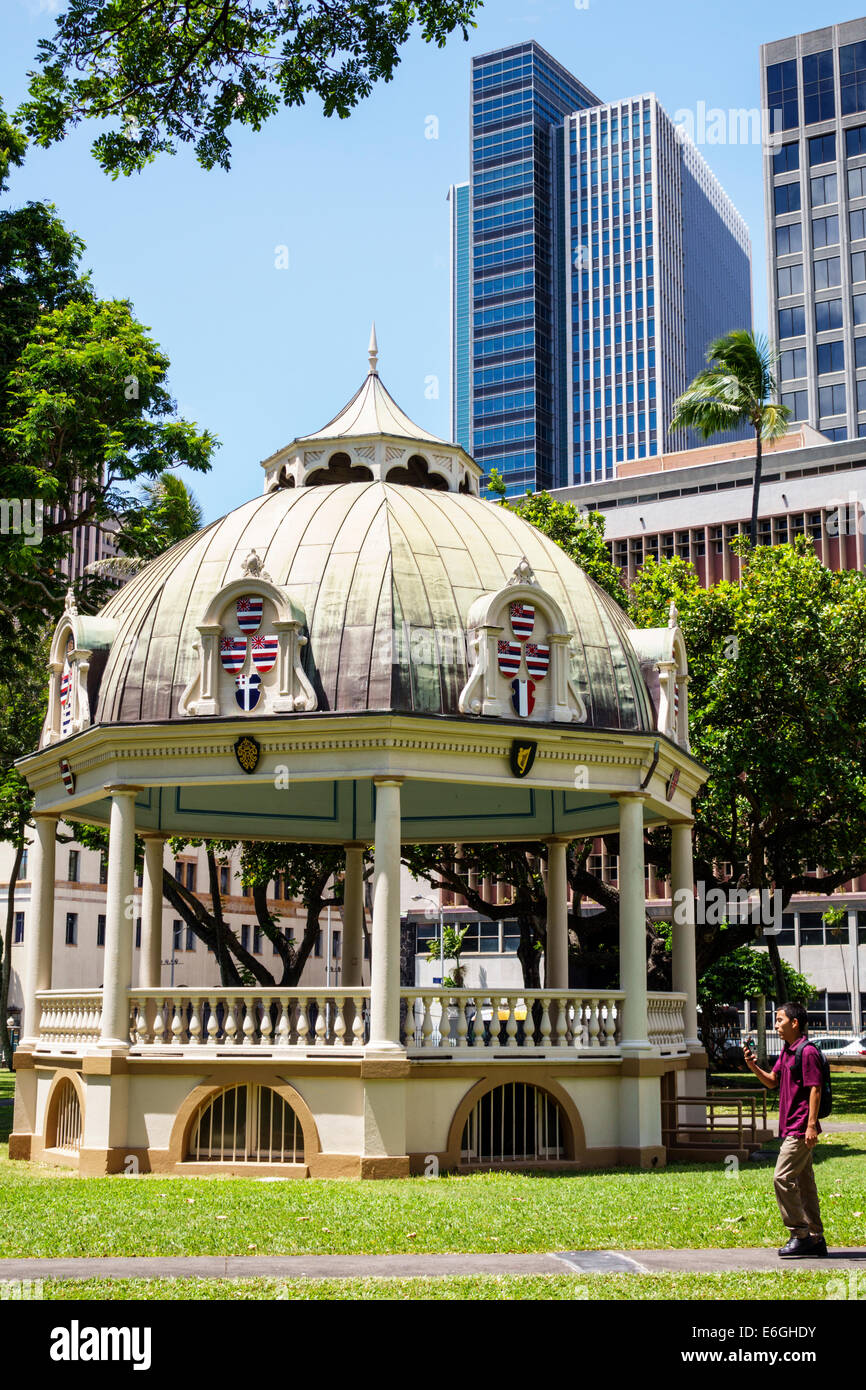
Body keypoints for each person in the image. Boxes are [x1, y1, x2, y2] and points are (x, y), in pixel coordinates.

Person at [743, 1002, 827, 1258]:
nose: (776, 1025)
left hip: (801, 1127)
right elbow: (772, 1081)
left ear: (795, 1023)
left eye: (779, 1020)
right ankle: (815, 1237)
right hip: (792, 1125)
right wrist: (753, 1066)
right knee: (805, 1182)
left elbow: (816, 1087)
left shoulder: (807, 1051)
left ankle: (799, 1233)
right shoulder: (788, 1051)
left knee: (782, 1178)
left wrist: (811, 1125)